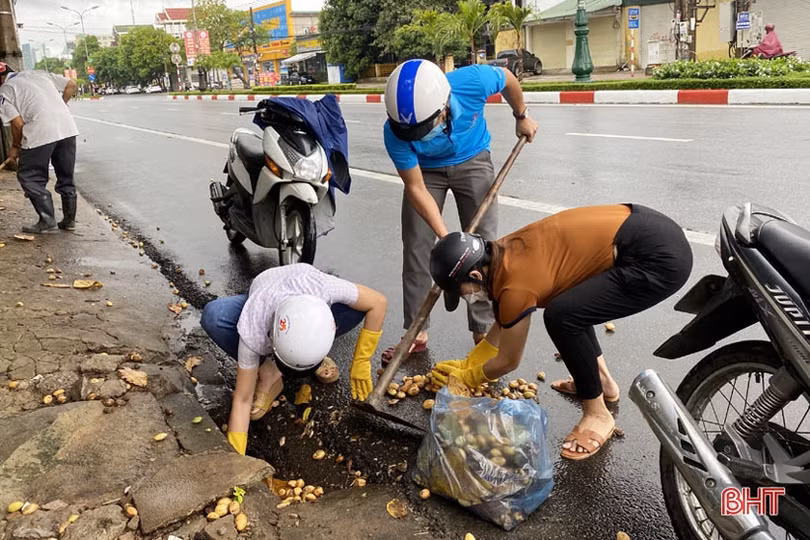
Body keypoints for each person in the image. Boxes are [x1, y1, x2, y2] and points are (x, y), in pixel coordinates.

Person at [427, 204, 692, 461]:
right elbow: (504, 322)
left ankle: (597, 414)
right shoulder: (501, 253)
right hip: (645, 226)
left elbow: (508, 359)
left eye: (461, 291)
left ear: (475, 275)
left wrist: (469, 378)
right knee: (573, 304)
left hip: (657, 258)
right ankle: (602, 383)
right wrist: (470, 362)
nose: (466, 298)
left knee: (563, 317)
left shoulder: (516, 284)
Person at [381, 59, 538, 361]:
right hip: (426, 172)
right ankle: (416, 331)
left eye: (422, 129)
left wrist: (522, 116)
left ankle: (483, 329)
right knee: (416, 245)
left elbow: (508, 79)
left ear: (444, 107)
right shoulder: (394, 131)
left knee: (483, 250)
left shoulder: (474, 81)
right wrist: (447, 240)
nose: (415, 135)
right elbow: (416, 188)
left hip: (473, 159)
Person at [200, 263, 387, 455]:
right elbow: (242, 399)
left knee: (356, 308)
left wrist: (361, 362)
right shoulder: (254, 329)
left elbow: (378, 302)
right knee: (215, 315)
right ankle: (269, 372)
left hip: (303, 286)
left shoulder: (323, 286)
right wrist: (236, 459)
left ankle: (310, 354)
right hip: (265, 290)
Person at [0, 64, 79, 233]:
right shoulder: (39, 74)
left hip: (40, 131)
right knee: (66, 175)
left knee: (29, 176)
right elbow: (71, 84)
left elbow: (18, 124)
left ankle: (47, 220)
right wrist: (62, 104)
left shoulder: (5, 90)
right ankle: (69, 220)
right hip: (67, 128)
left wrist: (15, 147)